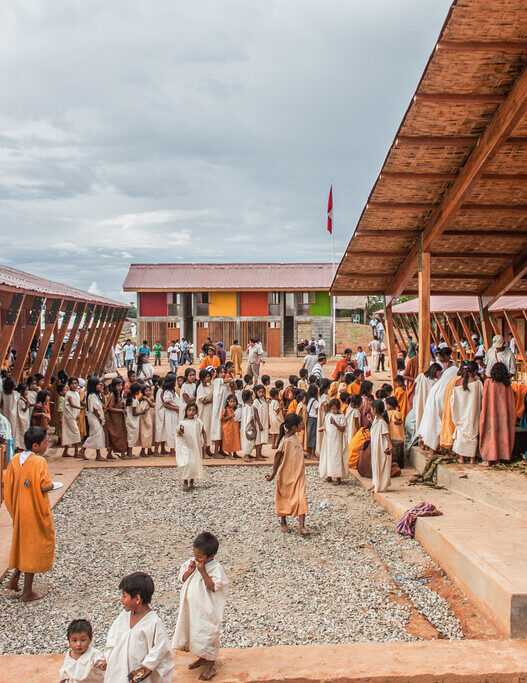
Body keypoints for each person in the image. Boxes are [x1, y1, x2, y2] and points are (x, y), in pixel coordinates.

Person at [4, 426, 54, 602]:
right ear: (35, 446)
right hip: (34, 511)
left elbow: (8, 485)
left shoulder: (15, 459)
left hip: (19, 510)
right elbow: (43, 485)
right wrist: (51, 486)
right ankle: (27, 592)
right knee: (32, 548)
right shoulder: (39, 462)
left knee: (22, 545)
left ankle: (14, 578)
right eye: (45, 442)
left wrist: (14, 507)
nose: (47, 445)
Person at [173, 532, 229, 681]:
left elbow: (213, 586)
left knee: (208, 634)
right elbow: (182, 579)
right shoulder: (192, 562)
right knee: (195, 632)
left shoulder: (215, 568)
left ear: (211, 557)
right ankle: (202, 658)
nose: (196, 559)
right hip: (193, 609)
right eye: (195, 555)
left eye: (200, 557)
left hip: (208, 610)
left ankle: (210, 665)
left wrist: (203, 571)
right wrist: (190, 571)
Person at [105, 572, 174, 682]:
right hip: (119, 670)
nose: (121, 600)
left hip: (139, 676)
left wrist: (146, 668)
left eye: (124, 596)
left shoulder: (153, 622)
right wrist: (108, 658)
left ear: (137, 599)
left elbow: (161, 648)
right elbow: (112, 638)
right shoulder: (124, 615)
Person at [266, 412, 309, 535]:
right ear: (294, 427)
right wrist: (273, 474)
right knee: (284, 497)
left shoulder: (295, 438)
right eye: (300, 424)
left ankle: (302, 526)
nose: (302, 426)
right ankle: (283, 522)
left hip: (298, 473)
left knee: (301, 497)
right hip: (286, 474)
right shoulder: (285, 441)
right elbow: (277, 458)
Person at [479, 361, 516, 467]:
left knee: (490, 434)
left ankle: (488, 459)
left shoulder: (488, 382)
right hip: (503, 416)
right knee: (502, 434)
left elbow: (484, 399)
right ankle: (500, 458)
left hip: (491, 413)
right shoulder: (507, 385)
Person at [418, 364, 458, 455]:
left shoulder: (438, 385)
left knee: (431, 424)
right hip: (440, 404)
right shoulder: (448, 383)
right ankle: (433, 450)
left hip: (432, 405)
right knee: (438, 426)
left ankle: (429, 446)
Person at [450, 361, 483, 464]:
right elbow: (482, 398)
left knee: (461, 434)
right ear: (475, 371)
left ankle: (461, 458)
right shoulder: (478, 383)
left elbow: (453, 400)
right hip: (472, 413)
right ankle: (472, 458)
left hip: (461, 414)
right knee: (472, 434)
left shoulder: (457, 383)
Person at [319, 398, 348, 485]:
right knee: (328, 456)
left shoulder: (341, 417)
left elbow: (343, 429)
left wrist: (335, 423)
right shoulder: (328, 416)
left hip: (337, 441)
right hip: (328, 440)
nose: (333, 411)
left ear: (338, 408)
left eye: (335, 409)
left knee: (336, 457)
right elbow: (327, 427)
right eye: (332, 409)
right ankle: (329, 475)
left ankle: (338, 477)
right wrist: (323, 429)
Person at [176, 402, 206, 489]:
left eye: (193, 410)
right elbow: (178, 434)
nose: (191, 412)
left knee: (194, 462)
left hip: (195, 446)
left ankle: (192, 481)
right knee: (187, 462)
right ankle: (185, 481)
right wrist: (179, 433)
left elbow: (203, 432)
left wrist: (205, 442)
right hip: (186, 445)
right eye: (189, 410)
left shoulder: (198, 422)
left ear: (196, 412)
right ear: (186, 411)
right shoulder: (182, 423)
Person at [80, 376, 106, 461]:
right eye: (98, 385)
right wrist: (99, 418)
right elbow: (94, 410)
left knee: (96, 434)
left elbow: (103, 403)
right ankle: (83, 449)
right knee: (97, 434)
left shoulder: (96, 395)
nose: (99, 386)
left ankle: (98, 454)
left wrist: (101, 391)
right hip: (94, 417)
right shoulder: (91, 396)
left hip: (96, 417)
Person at [369, 400, 392, 493]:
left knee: (381, 464)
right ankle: (376, 483)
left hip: (382, 447)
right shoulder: (376, 420)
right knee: (376, 464)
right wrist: (371, 421)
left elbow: (386, 433)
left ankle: (381, 485)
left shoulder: (382, 422)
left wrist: (390, 445)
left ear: (374, 409)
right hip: (376, 447)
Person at [105, 377, 127, 459]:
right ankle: (122, 453)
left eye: (121, 385)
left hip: (118, 418)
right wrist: (121, 410)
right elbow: (110, 408)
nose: (120, 387)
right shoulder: (112, 395)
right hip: (114, 419)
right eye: (118, 385)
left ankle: (112, 453)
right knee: (116, 435)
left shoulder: (118, 394)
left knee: (119, 434)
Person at [62, 377, 82, 458]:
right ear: (69, 385)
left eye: (75, 383)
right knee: (76, 432)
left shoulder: (77, 393)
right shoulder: (69, 394)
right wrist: (81, 408)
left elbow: (78, 403)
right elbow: (72, 404)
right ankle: (76, 452)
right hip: (69, 416)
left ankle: (65, 451)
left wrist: (78, 414)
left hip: (74, 416)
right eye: (72, 383)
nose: (74, 385)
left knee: (70, 433)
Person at [196, 370, 214, 457]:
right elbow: (203, 400)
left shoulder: (209, 386)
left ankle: (208, 448)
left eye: (209, 376)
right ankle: (203, 451)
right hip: (204, 412)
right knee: (204, 429)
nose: (209, 378)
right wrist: (212, 400)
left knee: (209, 428)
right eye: (207, 377)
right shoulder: (200, 388)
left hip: (209, 411)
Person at [163, 375, 181, 457]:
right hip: (171, 414)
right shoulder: (168, 392)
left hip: (175, 414)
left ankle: (175, 448)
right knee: (171, 431)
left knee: (175, 430)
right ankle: (172, 449)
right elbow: (165, 404)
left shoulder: (173, 391)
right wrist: (175, 408)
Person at [139, 384, 155, 457]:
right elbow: (151, 405)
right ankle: (143, 450)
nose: (148, 392)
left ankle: (149, 449)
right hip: (146, 420)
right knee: (146, 434)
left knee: (149, 434)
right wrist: (148, 400)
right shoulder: (144, 400)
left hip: (149, 418)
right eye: (146, 391)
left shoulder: (148, 399)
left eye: (149, 391)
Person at [240, 389, 257, 461]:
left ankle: (248, 453)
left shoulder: (244, 406)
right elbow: (251, 418)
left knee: (247, 439)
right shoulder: (249, 407)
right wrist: (253, 426)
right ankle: (246, 455)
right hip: (249, 426)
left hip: (244, 425)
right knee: (249, 440)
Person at [253, 384, 269, 460]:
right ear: (256, 392)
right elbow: (256, 413)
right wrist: (259, 424)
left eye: (263, 392)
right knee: (258, 439)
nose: (261, 393)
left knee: (262, 438)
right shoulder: (256, 401)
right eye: (259, 392)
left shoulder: (264, 400)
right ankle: (257, 455)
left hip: (264, 421)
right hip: (259, 422)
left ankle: (260, 453)